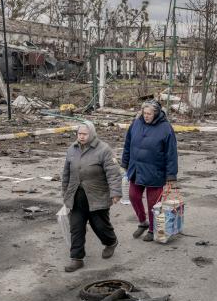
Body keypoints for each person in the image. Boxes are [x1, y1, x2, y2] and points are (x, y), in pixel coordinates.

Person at [61, 121, 122, 272]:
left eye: (84, 134)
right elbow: (66, 173)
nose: (81, 137)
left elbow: (113, 173)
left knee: (100, 226)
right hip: (76, 196)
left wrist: (115, 192)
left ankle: (111, 242)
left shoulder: (103, 149)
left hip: (97, 195)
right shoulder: (72, 149)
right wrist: (65, 193)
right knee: (76, 227)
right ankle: (77, 258)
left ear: (92, 134)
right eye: (79, 134)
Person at [121, 99, 178, 242]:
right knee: (133, 196)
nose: (146, 116)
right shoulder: (136, 123)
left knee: (154, 204)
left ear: (156, 113)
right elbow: (128, 144)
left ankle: (153, 229)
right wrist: (125, 162)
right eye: (144, 113)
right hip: (136, 169)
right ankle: (142, 222)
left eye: (149, 114)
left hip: (155, 171)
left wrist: (171, 175)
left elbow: (171, 153)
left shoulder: (165, 128)